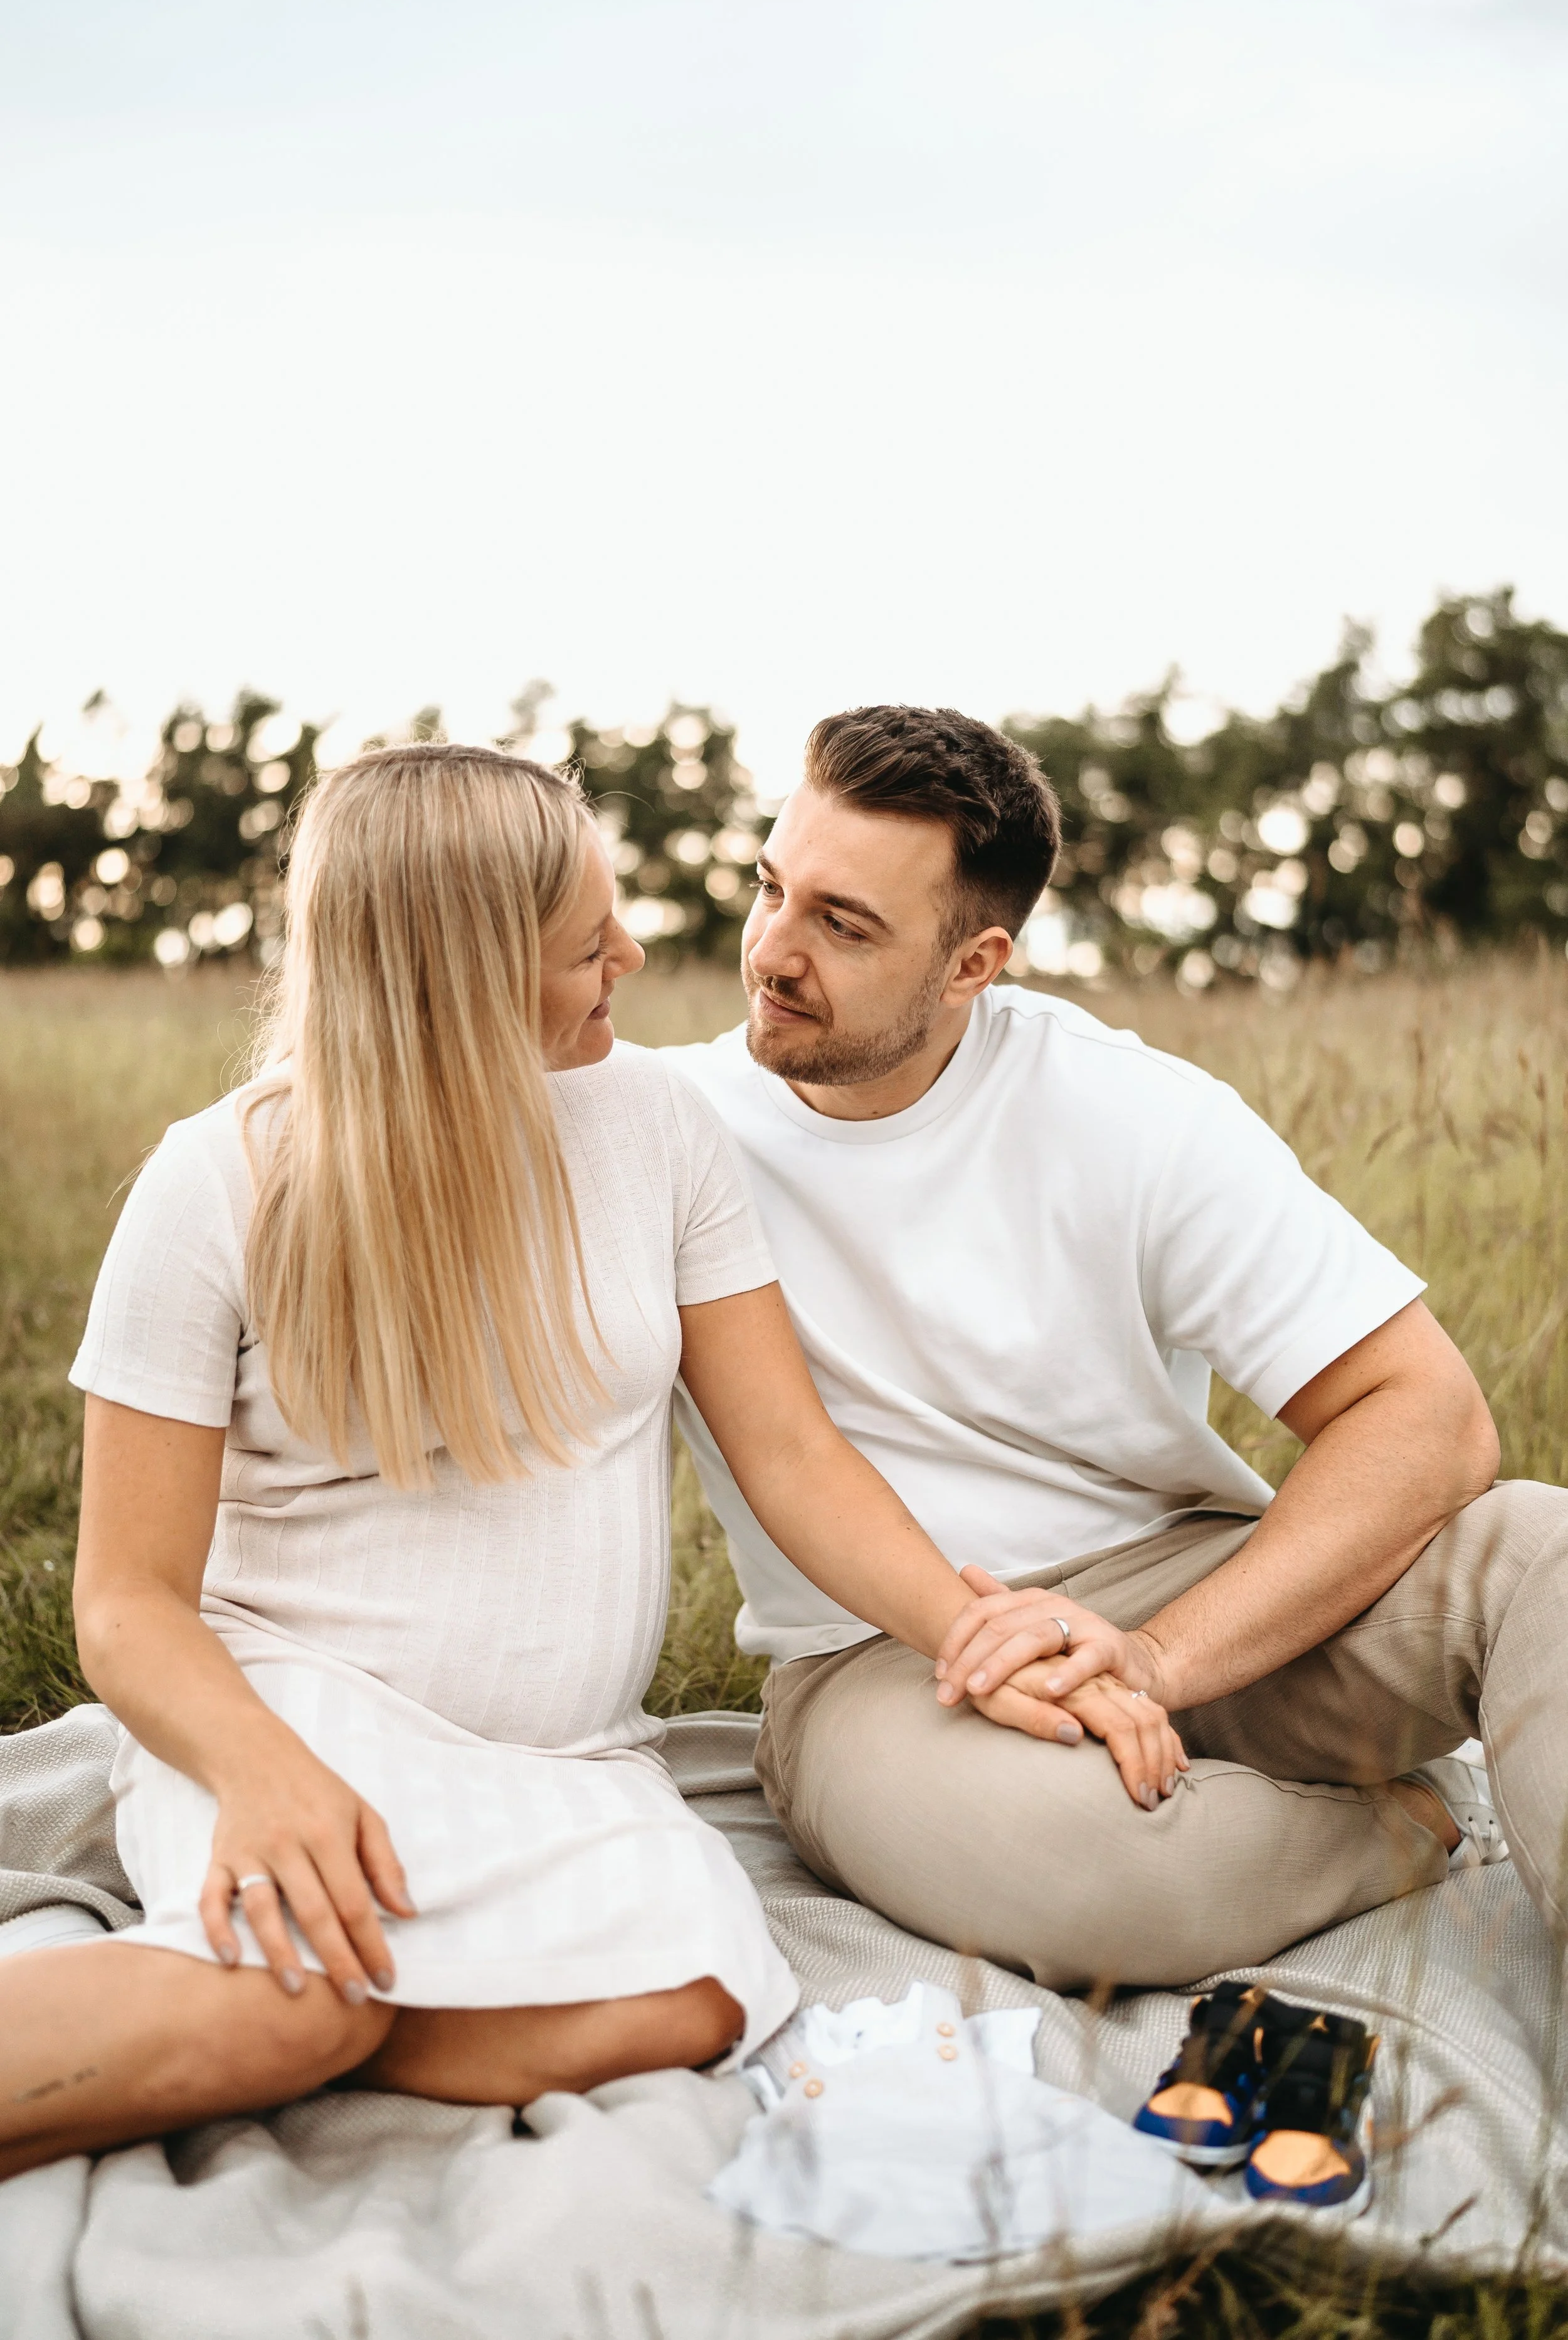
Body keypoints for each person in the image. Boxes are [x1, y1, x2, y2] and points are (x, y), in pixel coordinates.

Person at [0, 743, 1173, 2183]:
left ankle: (330, 2023)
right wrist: (259, 1776)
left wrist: (978, 1635)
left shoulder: (655, 1132)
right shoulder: (219, 1181)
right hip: (297, 1718)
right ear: (463, 978)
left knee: (696, 2005)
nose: (631, 951)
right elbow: (124, 1604)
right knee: (287, 2012)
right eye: (580, 943)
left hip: (569, 1766)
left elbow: (792, 1455)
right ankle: (293, 2023)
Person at [668, 703, 1568, 1993]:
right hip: (880, 1659)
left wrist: (1156, 1657)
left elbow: (1425, 1414)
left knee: (1538, 1552)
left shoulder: (1127, 1109)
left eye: (843, 924)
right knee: (1099, 1878)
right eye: (771, 890)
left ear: (972, 964)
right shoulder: (672, 1126)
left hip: (1178, 1587)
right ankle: (1408, 1824)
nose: (773, 952)